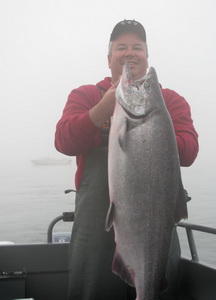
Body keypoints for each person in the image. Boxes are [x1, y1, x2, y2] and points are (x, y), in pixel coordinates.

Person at [55, 19, 199, 300]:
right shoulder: (85, 95)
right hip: (96, 227)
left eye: (138, 47)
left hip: (156, 222)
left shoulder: (170, 100)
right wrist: (102, 110)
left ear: (147, 56)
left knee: (157, 289)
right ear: (109, 58)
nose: (130, 52)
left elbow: (190, 152)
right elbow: (64, 141)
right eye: (121, 47)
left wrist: (155, 130)